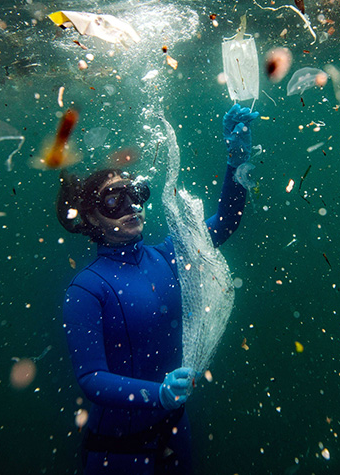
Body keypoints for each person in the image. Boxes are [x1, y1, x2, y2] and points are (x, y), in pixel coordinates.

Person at [57, 104, 259, 474]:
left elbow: (228, 220)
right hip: (117, 454)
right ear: (90, 217)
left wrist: (237, 159)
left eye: (136, 193)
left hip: (174, 437)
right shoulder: (86, 289)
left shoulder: (169, 256)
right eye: (113, 200)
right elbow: (91, 379)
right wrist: (158, 395)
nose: (131, 206)